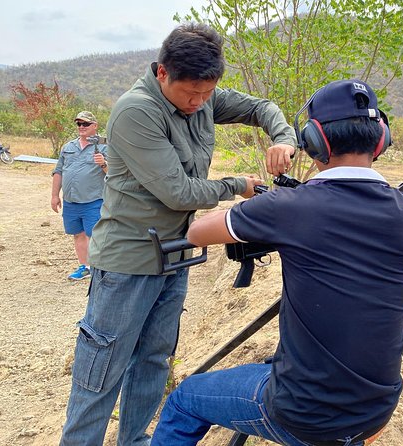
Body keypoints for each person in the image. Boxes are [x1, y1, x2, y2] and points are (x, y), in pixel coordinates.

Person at [151, 79, 403, 446]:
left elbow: (199, 232)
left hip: (303, 414)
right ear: (380, 140)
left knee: (184, 400)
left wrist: (254, 199)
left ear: (313, 141)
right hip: (376, 409)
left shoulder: (290, 208)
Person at [59, 22, 297, 446]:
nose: (199, 103)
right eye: (192, 94)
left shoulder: (201, 97)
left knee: (153, 362)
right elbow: (178, 192)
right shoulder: (136, 111)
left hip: (174, 257)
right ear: (163, 73)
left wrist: (283, 138)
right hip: (128, 263)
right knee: (101, 371)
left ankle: (133, 440)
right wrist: (236, 185)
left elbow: (260, 107)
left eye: (207, 94)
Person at [51, 111, 108, 280]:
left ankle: (99, 267)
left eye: (86, 124)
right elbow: (58, 171)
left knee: (95, 234)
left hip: (94, 199)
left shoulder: (105, 147)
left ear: (95, 126)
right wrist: (55, 195)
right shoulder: (68, 147)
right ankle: (85, 267)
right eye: (79, 124)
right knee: (78, 234)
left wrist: (104, 163)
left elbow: (115, 174)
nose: (81, 127)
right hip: (71, 201)